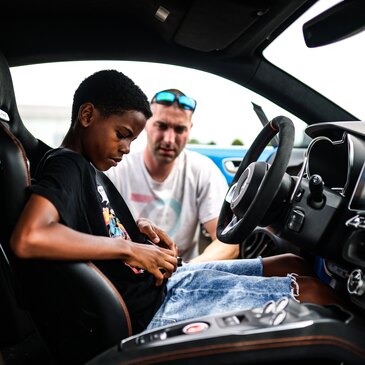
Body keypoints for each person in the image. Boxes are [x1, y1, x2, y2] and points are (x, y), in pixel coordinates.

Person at [10, 69, 342, 335]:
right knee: (313, 293)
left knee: (291, 265)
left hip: (168, 281)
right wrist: (132, 249)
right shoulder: (68, 164)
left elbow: (90, 221)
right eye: (122, 134)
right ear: (87, 115)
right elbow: (30, 237)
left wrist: (138, 234)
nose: (126, 148)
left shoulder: (89, 169)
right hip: (158, 304)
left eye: (132, 140)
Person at [105, 88, 239, 263]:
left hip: (184, 274)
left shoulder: (202, 170)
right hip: (127, 273)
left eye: (179, 129)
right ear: (146, 124)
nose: (169, 139)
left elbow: (228, 243)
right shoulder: (117, 167)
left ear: (190, 129)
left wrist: (183, 271)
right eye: (161, 126)